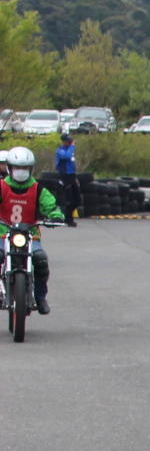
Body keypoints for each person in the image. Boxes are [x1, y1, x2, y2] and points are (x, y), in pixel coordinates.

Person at [0, 145, 64, 314]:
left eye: (25, 168)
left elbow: (51, 206)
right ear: (9, 168)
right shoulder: (1, 187)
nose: (21, 171)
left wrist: (55, 216)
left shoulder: (38, 189)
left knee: (40, 259)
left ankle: (40, 296)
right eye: (17, 167)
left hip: (30, 235)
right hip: (3, 233)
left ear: (31, 169)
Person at [53, 131, 78, 224]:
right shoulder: (60, 150)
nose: (70, 142)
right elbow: (66, 156)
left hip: (72, 175)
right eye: (68, 141)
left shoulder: (70, 150)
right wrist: (72, 146)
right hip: (64, 176)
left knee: (77, 199)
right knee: (69, 199)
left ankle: (69, 216)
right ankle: (68, 219)